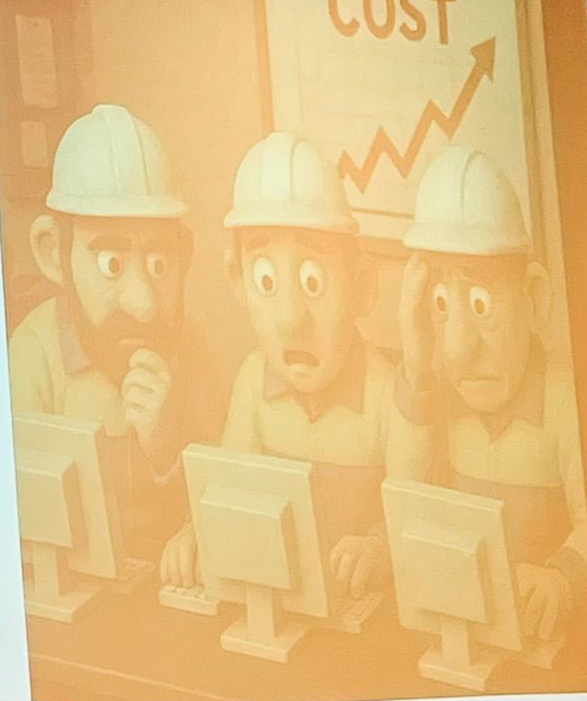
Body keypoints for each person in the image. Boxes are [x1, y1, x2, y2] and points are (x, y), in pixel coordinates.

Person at [164, 132, 429, 595]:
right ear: (238, 281)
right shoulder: (253, 381)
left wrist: (379, 548)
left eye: (312, 281)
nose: (290, 320)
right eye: (266, 280)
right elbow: (228, 492)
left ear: (360, 285)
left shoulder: (389, 394)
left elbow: (417, 515)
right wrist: (198, 531)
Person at [396, 145, 587, 643]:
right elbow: (406, 511)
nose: (457, 349)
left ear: (534, 297)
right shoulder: (437, 399)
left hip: (545, 640)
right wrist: (416, 370)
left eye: (481, 304)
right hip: (460, 632)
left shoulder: (565, 404)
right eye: (441, 304)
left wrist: (561, 578)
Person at [9, 103, 196, 563]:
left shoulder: (191, 351)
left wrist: (166, 447)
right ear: (54, 254)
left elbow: (218, 506)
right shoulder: (34, 354)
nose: (143, 303)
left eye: (159, 263)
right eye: (111, 263)